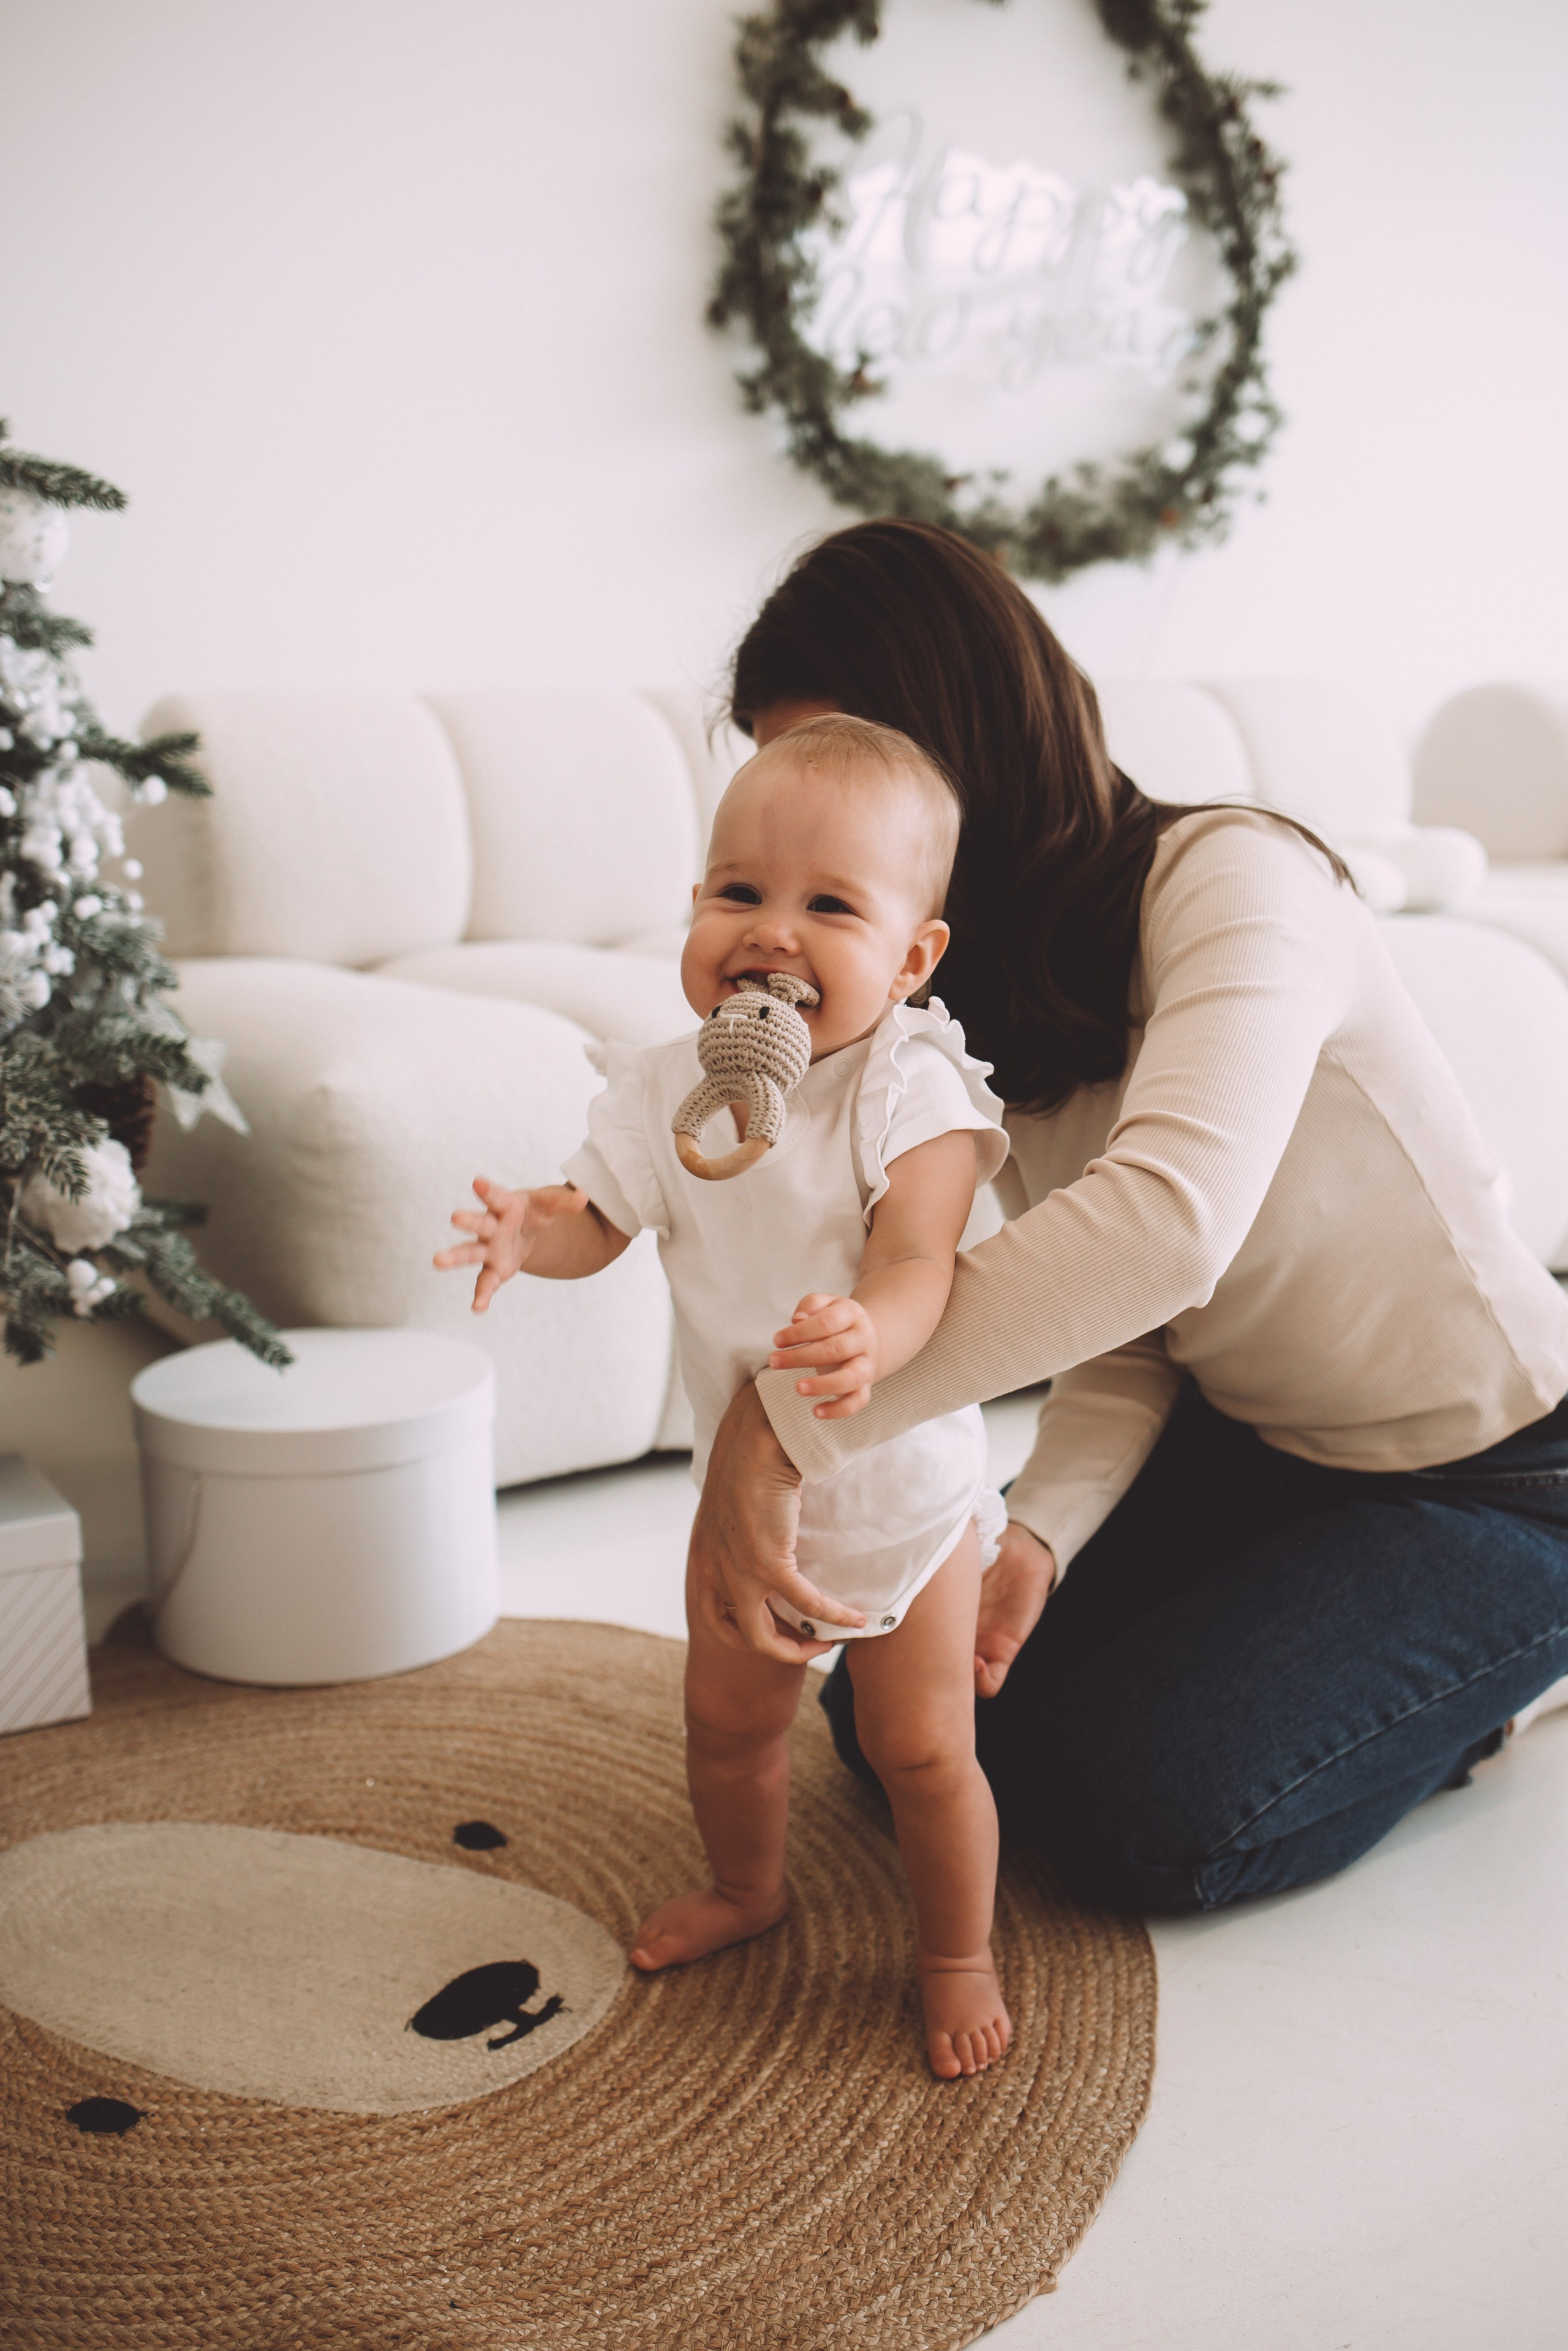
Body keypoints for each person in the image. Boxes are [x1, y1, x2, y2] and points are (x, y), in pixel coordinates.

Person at [689, 517, 1568, 1917]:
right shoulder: (978, 985)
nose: (830, 838)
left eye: (852, 776)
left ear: (957, 738)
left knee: (1144, 1822)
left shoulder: (1236, 880)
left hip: (1494, 1472)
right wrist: (1035, 1534)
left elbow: (1164, 1231)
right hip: (1257, 1437)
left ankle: (1496, 1679)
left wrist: (784, 1424)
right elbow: (1132, 1325)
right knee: (891, 1719)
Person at [436, 713, 1021, 2078]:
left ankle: (955, 1952)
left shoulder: (908, 1086)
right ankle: (750, 1889)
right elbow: (604, 1215)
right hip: (739, 1498)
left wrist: (864, 1332)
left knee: (920, 1748)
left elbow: (921, 1258)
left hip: (906, 1497)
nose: (770, 931)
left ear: (912, 953)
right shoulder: (665, 1092)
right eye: (737, 893)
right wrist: (536, 1231)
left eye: (829, 904)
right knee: (730, 1723)